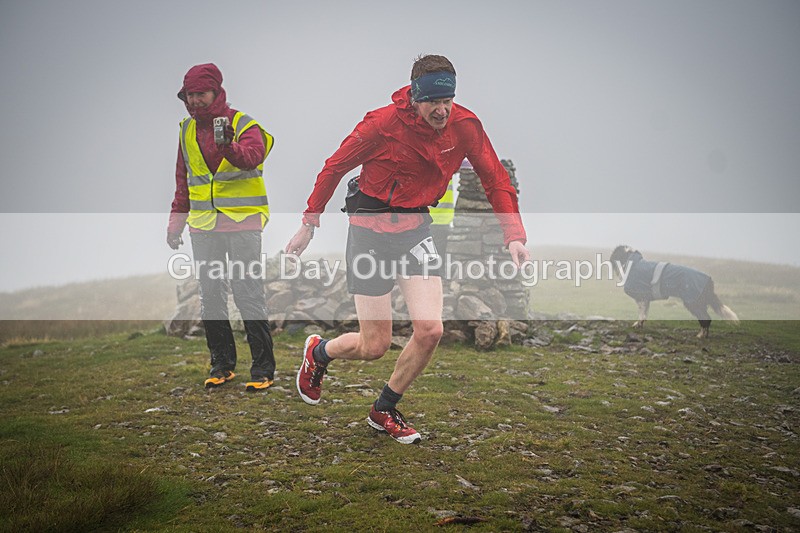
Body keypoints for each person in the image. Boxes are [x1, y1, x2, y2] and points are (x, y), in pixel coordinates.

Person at [286, 54, 531, 444]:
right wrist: (309, 223)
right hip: (369, 232)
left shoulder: (465, 126)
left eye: (448, 99)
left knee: (431, 329)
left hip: (416, 229)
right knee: (374, 345)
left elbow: (495, 178)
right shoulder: (381, 124)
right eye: (434, 101)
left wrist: (513, 233)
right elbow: (334, 167)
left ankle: (383, 408)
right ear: (415, 98)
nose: (442, 109)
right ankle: (319, 353)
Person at [167, 63, 276, 392]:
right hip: (202, 227)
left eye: (201, 93)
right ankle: (222, 365)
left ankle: (263, 369)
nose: (195, 100)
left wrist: (229, 146)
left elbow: (254, 156)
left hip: (242, 224)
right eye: (190, 95)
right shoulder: (186, 130)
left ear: (216, 92)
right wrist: (176, 223)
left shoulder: (244, 123)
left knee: (247, 295)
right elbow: (182, 181)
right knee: (211, 297)